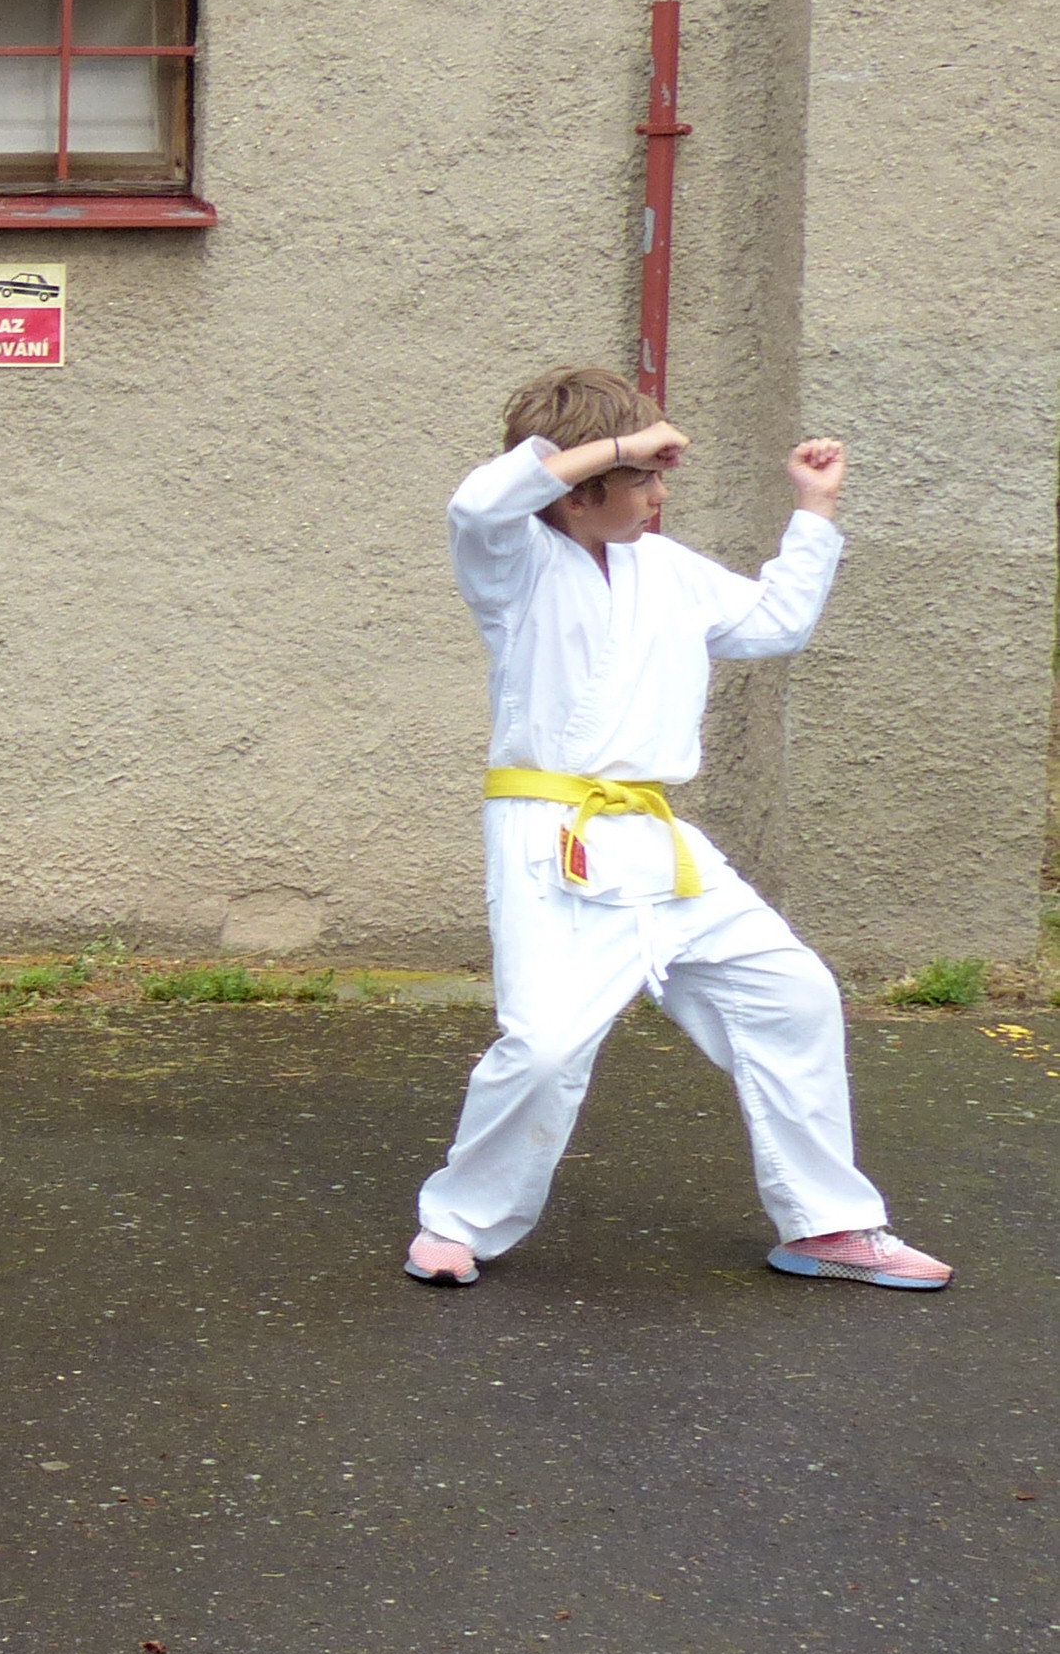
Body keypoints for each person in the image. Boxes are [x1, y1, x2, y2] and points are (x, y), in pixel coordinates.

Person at [405, 364, 945, 1292]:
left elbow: (775, 622)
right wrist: (618, 442)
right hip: (552, 834)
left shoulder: (666, 570)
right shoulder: (515, 562)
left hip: (656, 838)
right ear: (580, 489)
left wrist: (814, 510)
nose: (660, 494)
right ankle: (458, 1224)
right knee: (546, 1045)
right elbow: (478, 503)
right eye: (643, 478)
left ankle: (827, 1223)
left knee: (792, 996)